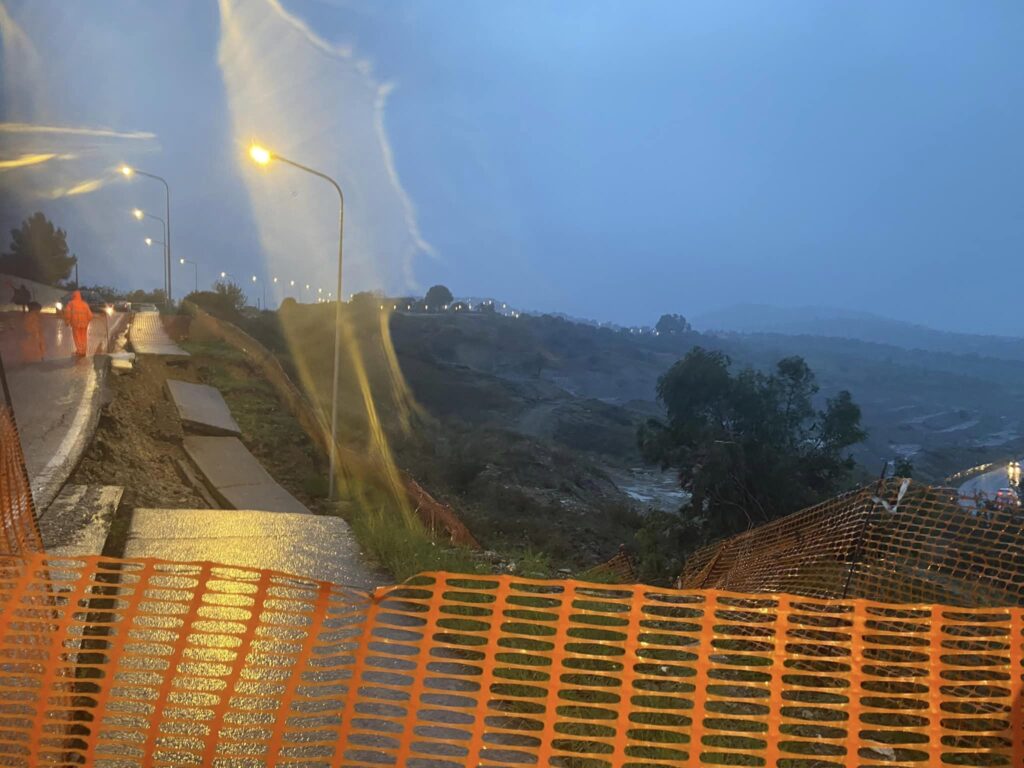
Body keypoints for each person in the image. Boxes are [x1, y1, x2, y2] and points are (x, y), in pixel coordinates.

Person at [63, 290, 93, 357]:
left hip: (75, 323)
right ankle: (83, 350)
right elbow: (90, 315)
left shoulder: (71, 303)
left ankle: (79, 351)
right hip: (84, 324)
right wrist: (87, 321)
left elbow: (68, 313)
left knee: (77, 337)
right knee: (83, 337)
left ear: (73, 296)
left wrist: (67, 321)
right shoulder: (85, 304)